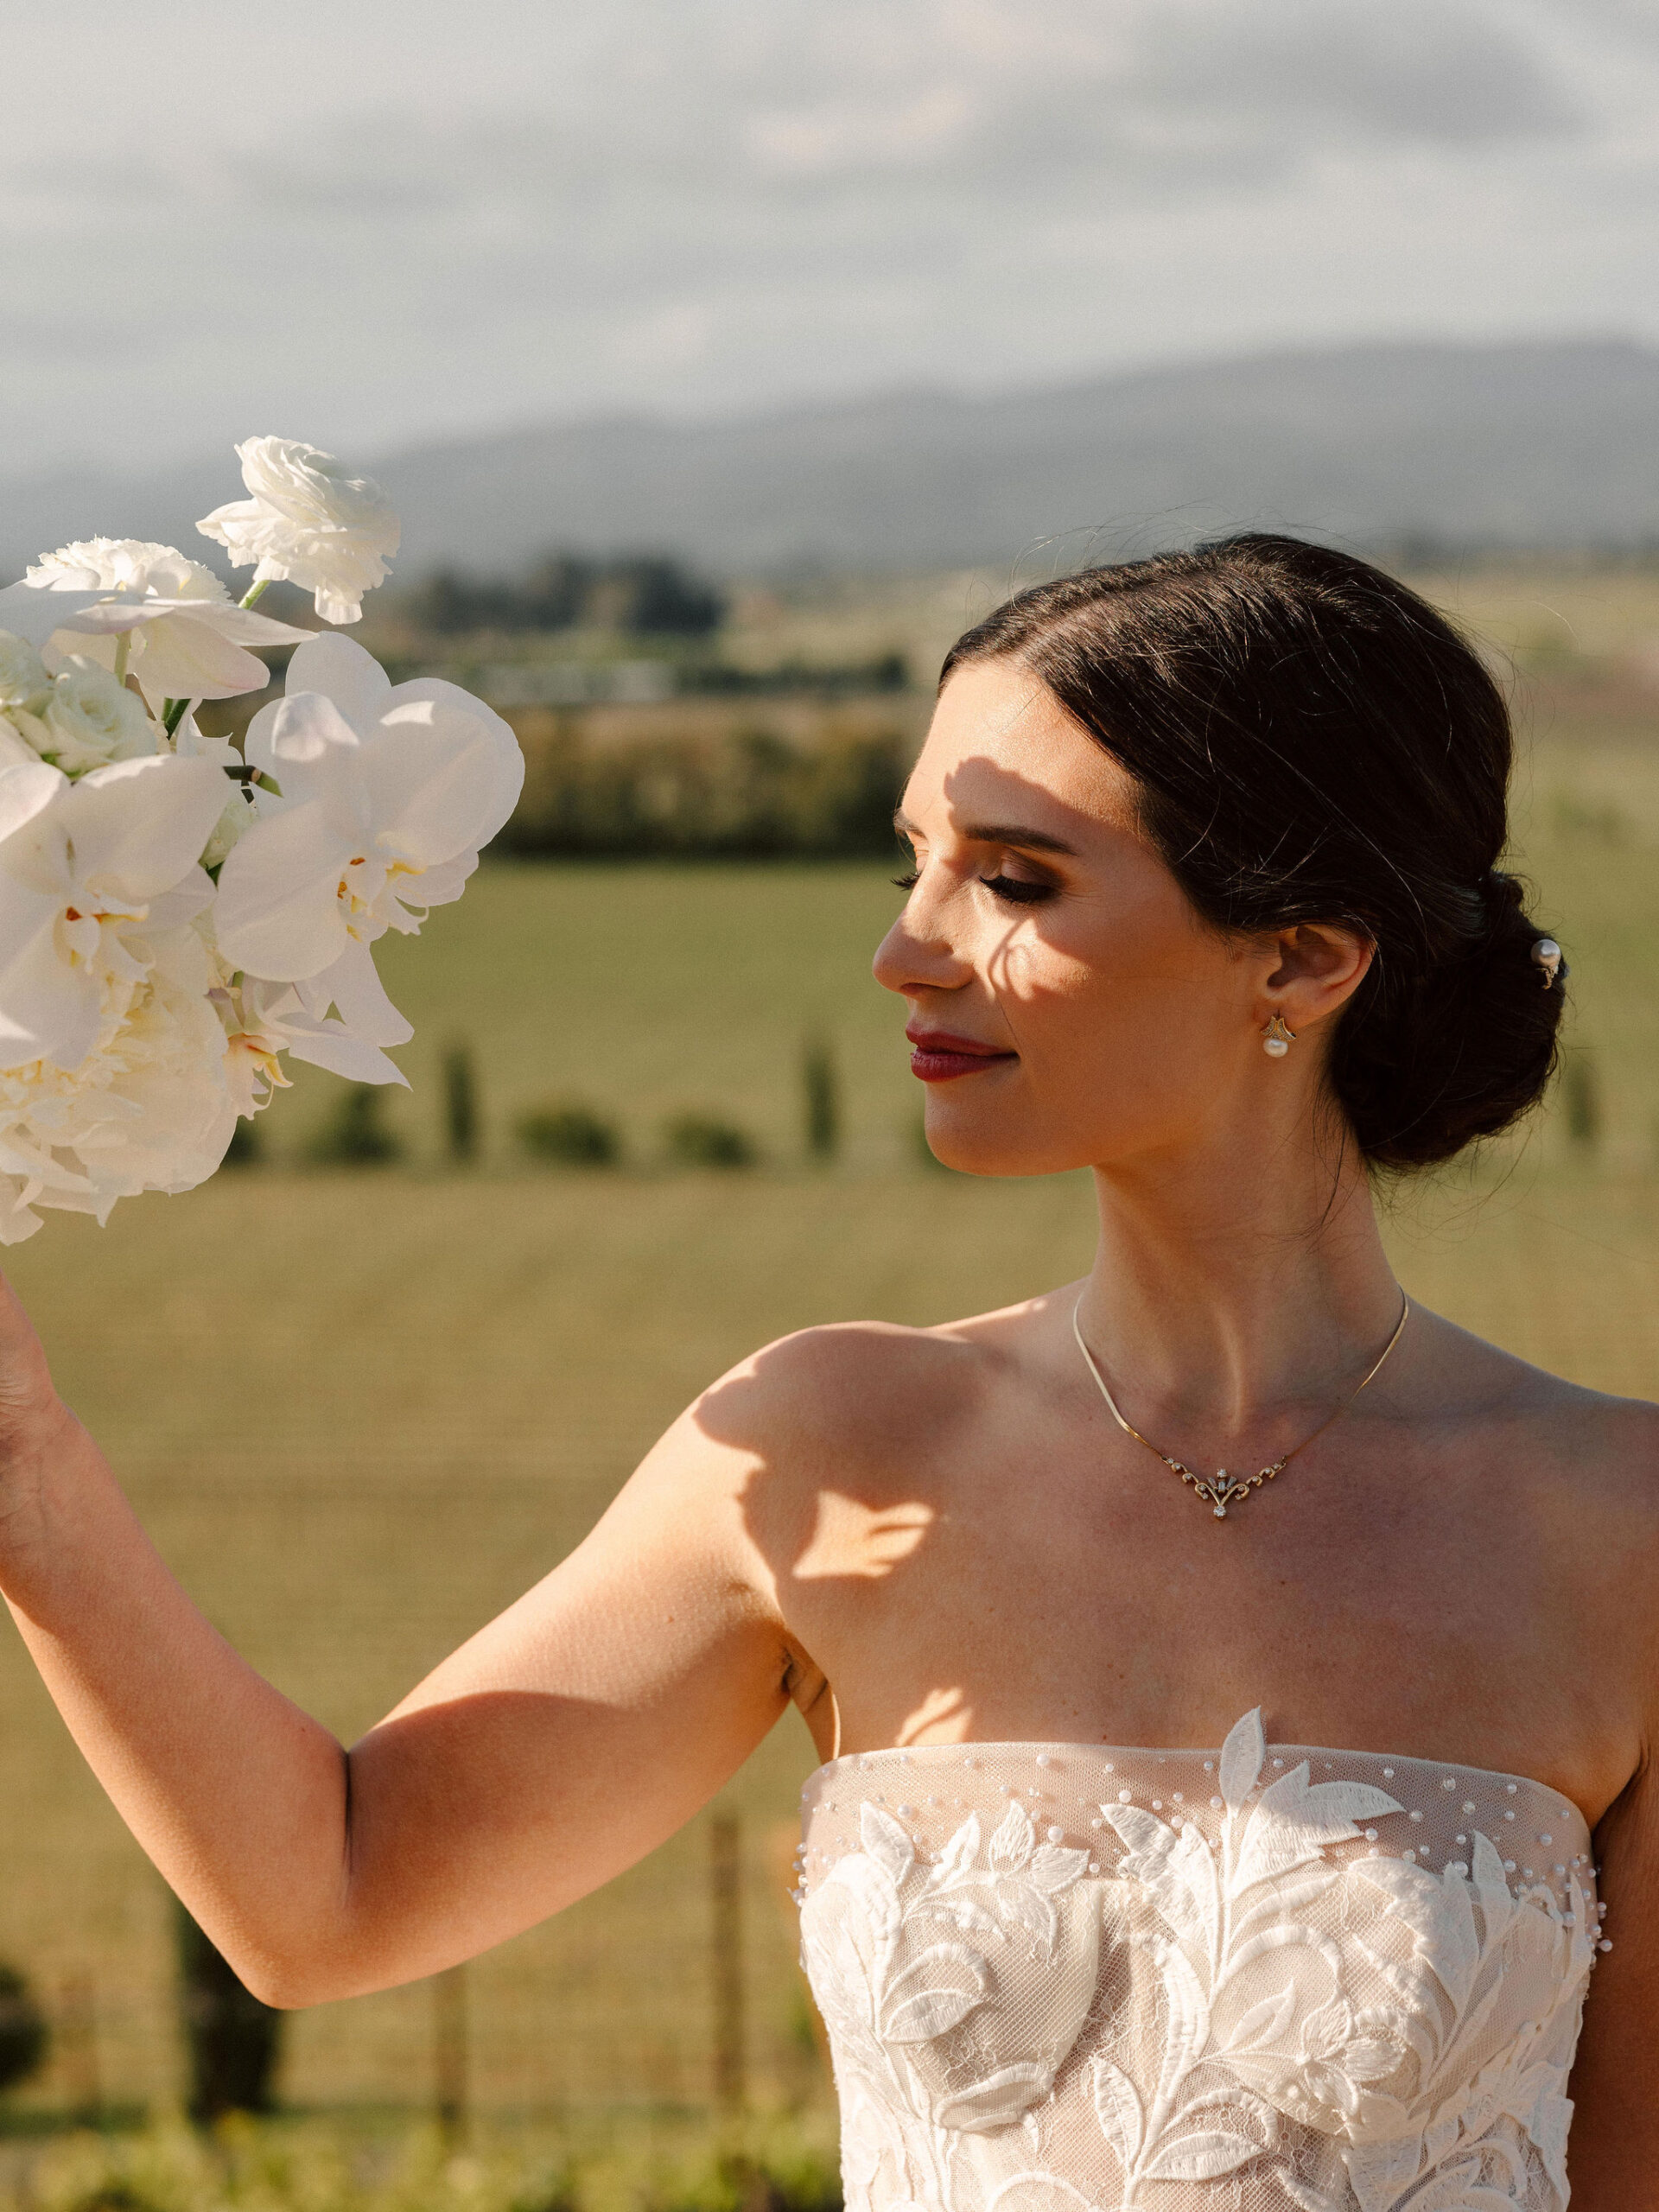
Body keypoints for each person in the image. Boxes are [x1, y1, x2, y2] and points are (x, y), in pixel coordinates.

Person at [0, 534, 1650, 2210]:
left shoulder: (1625, 1534)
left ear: (1302, 955)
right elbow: (327, 1898)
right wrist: (31, 1470)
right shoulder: (825, 1453)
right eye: (911, 866)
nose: (909, 948)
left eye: (1013, 878)